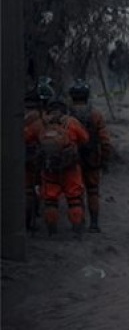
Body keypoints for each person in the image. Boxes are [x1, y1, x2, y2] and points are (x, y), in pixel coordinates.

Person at [26, 96, 90, 237]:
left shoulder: (40, 123)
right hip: (71, 168)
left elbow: (26, 137)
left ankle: (52, 231)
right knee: (74, 199)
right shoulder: (71, 122)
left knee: (50, 200)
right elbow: (85, 138)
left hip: (49, 169)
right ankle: (77, 230)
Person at [68, 79, 114, 233]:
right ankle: (94, 224)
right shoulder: (95, 114)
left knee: (76, 193)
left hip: (72, 160)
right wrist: (105, 160)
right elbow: (105, 140)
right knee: (93, 191)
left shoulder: (67, 116)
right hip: (92, 159)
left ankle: (78, 223)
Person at [22, 86, 49, 233]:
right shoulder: (39, 121)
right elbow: (44, 141)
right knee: (31, 190)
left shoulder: (13, 115)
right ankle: (29, 221)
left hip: (13, 157)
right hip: (32, 159)